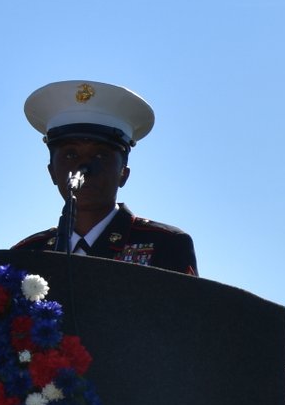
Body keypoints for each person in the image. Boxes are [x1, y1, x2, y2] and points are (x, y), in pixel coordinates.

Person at [10, 80, 197, 274]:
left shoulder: (165, 245)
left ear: (123, 174)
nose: (84, 167)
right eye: (70, 155)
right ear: (52, 173)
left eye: (100, 155)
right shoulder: (27, 254)